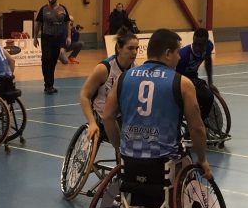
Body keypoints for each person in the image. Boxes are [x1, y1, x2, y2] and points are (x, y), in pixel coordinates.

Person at [102, 28, 212, 181]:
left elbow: (107, 117)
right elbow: (197, 128)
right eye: (177, 53)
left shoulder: (123, 78)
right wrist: (202, 160)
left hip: (130, 158)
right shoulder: (182, 83)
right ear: (167, 53)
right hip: (163, 161)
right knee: (187, 163)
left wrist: (119, 148)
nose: (179, 58)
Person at [78, 30, 139, 144]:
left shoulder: (135, 70)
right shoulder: (104, 69)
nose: (135, 52)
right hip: (100, 113)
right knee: (111, 123)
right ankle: (121, 152)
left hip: (120, 112)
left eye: (137, 48)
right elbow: (84, 95)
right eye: (130, 48)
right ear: (119, 48)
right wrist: (91, 122)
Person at [32, 0, 71, 94]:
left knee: (53, 62)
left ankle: (50, 85)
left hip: (58, 38)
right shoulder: (43, 9)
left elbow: (67, 23)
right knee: (46, 60)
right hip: (46, 38)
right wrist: (35, 38)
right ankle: (47, 85)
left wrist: (68, 37)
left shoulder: (63, 9)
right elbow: (38, 24)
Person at [175, 28, 216, 119]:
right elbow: (178, 76)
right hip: (180, 79)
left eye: (200, 45)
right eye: (195, 44)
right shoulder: (184, 55)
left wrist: (210, 83)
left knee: (209, 97)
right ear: (193, 40)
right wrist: (191, 82)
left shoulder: (209, 46)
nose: (197, 47)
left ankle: (201, 122)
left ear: (206, 43)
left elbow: (208, 63)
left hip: (193, 78)